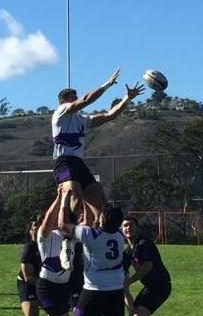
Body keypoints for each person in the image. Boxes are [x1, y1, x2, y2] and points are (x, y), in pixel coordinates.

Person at [58, 190, 132, 316]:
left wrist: (65, 200)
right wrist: (89, 197)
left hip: (93, 291)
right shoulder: (119, 235)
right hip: (115, 290)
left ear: (102, 220)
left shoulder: (90, 234)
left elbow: (62, 225)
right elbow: (104, 218)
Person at [52, 69, 144, 219]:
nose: (77, 100)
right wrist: (108, 84)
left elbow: (110, 115)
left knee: (102, 206)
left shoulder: (82, 120)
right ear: (63, 101)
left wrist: (127, 98)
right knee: (75, 195)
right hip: (63, 163)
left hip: (78, 164)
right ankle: (69, 239)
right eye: (73, 98)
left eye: (76, 97)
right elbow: (86, 99)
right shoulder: (60, 113)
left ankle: (101, 236)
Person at [23, 194, 77, 316]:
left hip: (64, 287)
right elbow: (48, 219)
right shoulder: (44, 236)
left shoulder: (68, 235)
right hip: (47, 287)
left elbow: (72, 218)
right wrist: (60, 198)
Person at [123, 215, 171, 316]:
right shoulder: (127, 251)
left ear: (137, 228)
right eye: (125, 225)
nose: (128, 228)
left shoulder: (144, 244)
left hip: (161, 286)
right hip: (150, 287)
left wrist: (129, 281)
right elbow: (122, 277)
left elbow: (147, 266)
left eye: (131, 225)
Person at [17, 214, 46, 316]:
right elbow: (27, 276)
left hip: (42, 283)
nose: (38, 228)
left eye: (40, 225)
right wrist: (45, 286)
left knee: (55, 315)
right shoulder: (29, 247)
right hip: (27, 284)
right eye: (35, 226)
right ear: (30, 230)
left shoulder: (47, 244)